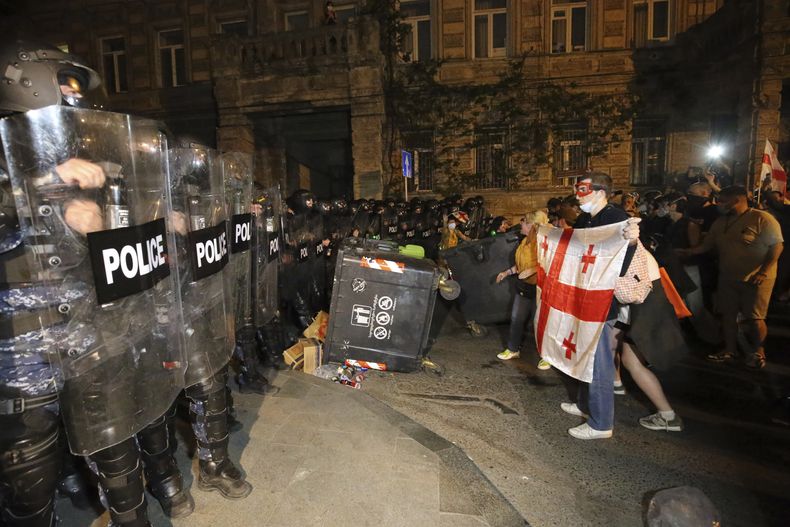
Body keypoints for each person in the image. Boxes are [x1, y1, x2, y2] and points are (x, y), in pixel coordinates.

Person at [0, 39, 192, 526]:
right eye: (64, 84)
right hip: (22, 344)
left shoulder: (81, 158)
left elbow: (115, 235)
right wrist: (43, 187)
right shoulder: (10, 156)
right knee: (30, 472)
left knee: (114, 436)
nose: (74, 96)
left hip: (89, 325)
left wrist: (126, 220)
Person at [558, 172, 640, 440]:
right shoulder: (585, 219)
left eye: (582, 189)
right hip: (584, 295)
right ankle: (584, 404)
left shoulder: (615, 218)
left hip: (602, 301)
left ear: (600, 191)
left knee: (600, 361)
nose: (577, 194)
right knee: (584, 353)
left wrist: (631, 240)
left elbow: (622, 259)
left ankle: (601, 423)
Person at [678, 185, 784, 369]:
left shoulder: (762, 218)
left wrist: (763, 272)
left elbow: (776, 247)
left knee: (755, 317)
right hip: (728, 277)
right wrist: (687, 252)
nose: (718, 204)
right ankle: (730, 350)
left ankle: (759, 351)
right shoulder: (721, 222)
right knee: (728, 315)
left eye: (723, 201)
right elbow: (707, 245)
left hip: (756, 279)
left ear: (737, 200)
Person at [495, 210, 551, 370]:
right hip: (523, 288)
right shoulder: (525, 241)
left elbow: (549, 263)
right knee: (516, 319)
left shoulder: (543, 243)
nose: (521, 223)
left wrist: (533, 270)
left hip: (539, 289)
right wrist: (507, 272)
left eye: (524, 221)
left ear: (533, 226)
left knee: (541, 323)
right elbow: (520, 265)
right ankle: (513, 349)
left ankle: (547, 356)